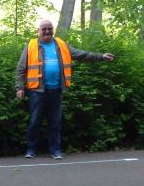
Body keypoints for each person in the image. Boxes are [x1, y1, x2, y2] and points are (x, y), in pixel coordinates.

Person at [15, 19, 114, 159]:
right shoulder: (31, 45)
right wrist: (20, 87)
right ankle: (31, 150)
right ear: (38, 31)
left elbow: (81, 54)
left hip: (56, 90)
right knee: (34, 122)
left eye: (50, 28)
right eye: (44, 29)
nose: (47, 31)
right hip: (37, 91)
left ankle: (55, 150)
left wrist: (101, 56)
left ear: (53, 30)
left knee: (55, 122)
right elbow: (21, 68)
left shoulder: (61, 45)